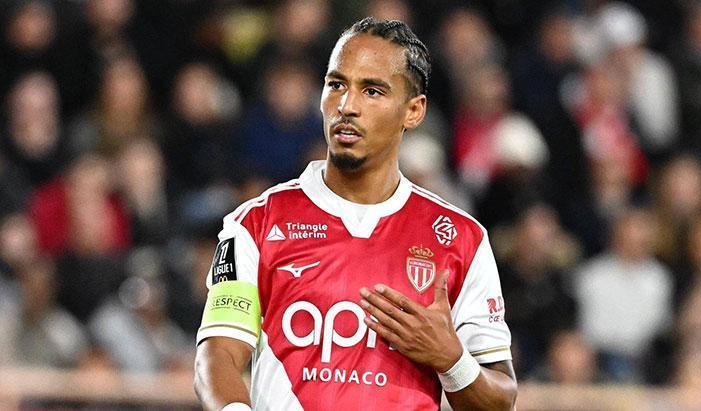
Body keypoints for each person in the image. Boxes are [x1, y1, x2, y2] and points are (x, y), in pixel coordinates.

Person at [193, 17, 517, 410]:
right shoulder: (256, 224)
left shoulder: (461, 239)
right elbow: (218, 355)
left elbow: (501, 400)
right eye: (336, 85)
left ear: (413, 111)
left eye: (372, 91)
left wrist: (452, 360)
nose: (347, 106)